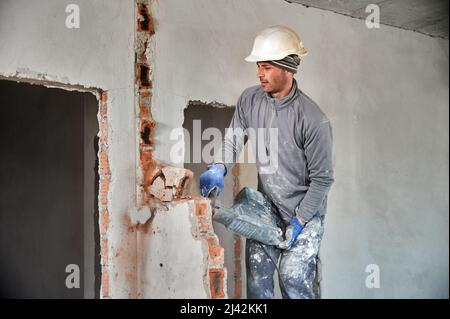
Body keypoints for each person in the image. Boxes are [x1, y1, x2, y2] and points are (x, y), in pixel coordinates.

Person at [199, 25, 334, 299]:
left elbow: (322, 180)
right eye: (259, 66)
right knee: (258, 282)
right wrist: (219, 166)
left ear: (288, 69)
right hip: (267, 207)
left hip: (304, 215)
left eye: (267, 67)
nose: (260, 73)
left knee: (293, 281)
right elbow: (234, 139)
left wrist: (299, 221)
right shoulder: (250, 99)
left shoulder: (312, 118)